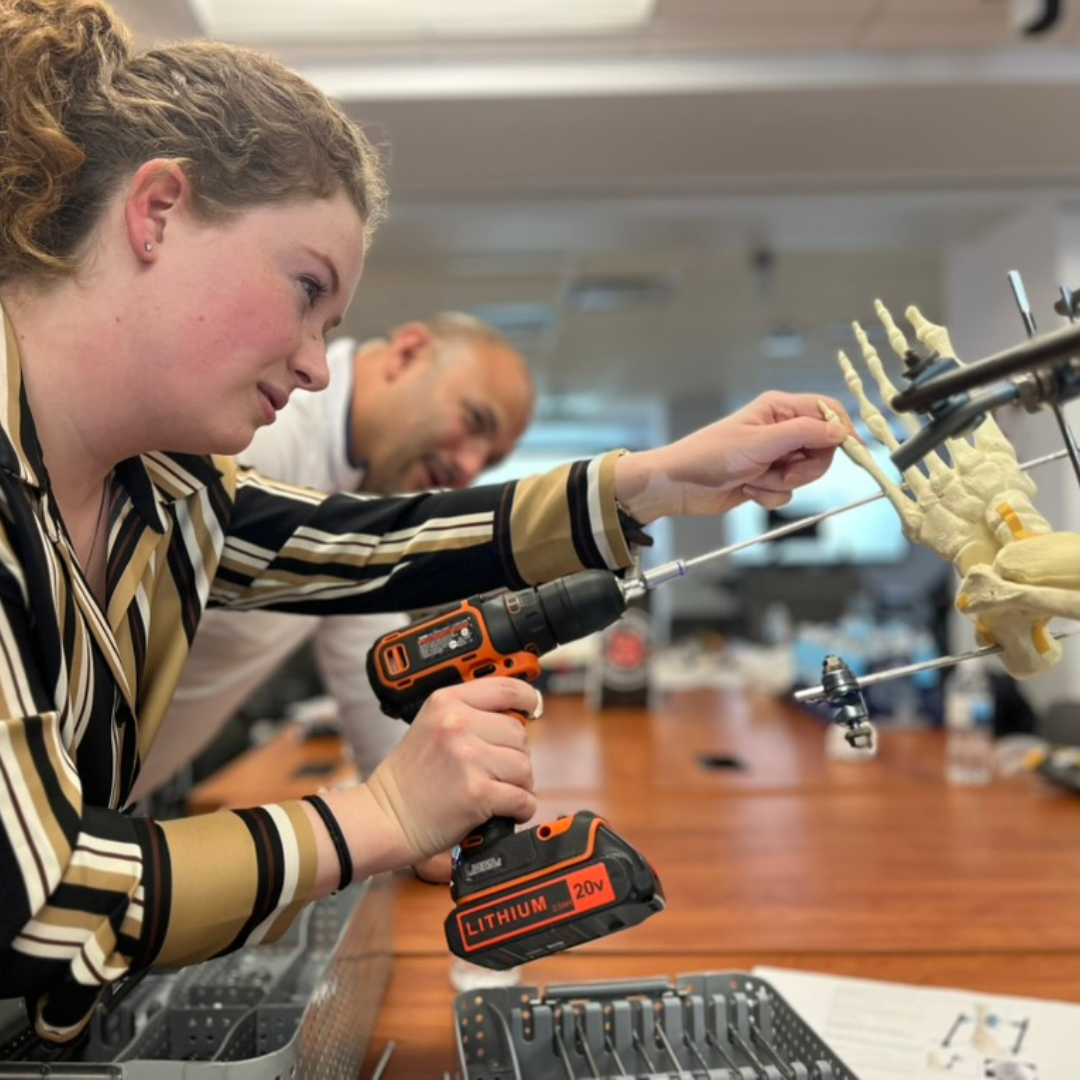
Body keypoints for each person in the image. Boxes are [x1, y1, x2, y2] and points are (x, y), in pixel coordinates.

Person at [0, 0, 854, 1044]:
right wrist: (382, 816)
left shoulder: (163, 487)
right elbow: (41, 902)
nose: (317, 365)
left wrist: (656, 483)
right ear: (160, 211)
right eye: (306, 288)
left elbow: (367, 546)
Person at [131, 316, 535, 821]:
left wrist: (431, 821)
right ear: (407, 353)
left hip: (103, 795)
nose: (470, 468)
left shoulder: (362, 511)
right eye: (474, 421)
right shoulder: (259, 435)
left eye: (489, 461)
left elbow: (378, 682)